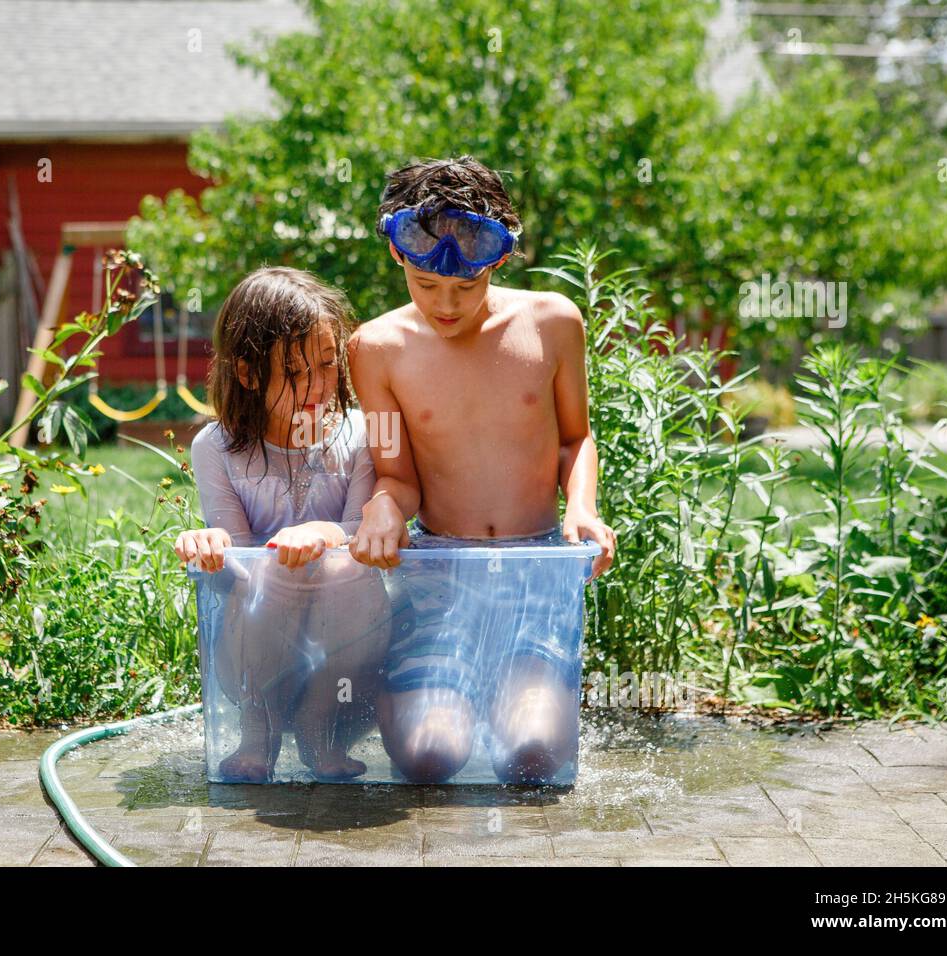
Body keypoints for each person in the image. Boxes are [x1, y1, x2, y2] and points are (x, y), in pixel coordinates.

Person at [347, 156, 617, 784]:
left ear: (495, 260)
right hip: (441, 575)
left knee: (532, 759)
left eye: (465, 288)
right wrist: (383, 506)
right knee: (429, 758)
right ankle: (399, 696)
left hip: (535, 571)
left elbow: (575, 440)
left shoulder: (552, 322)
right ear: (399, 258)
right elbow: (397, 475)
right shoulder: (377, 348)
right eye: (425, 283)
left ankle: (515, 695)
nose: (445, 304)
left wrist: (583, 508)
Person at [176, 267, 389, 782]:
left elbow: (363, 530)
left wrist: (326, 533)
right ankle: (260, 725)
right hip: (252, 659)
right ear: (248, 374)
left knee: (346, 569)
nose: (319, 386)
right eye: (295, 372)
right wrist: (210, 545)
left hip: (344, 659)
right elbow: (236, 572)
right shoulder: (217, 448)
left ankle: (320, 720)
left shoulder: (361, 434)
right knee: (273, 570)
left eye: (327, 363)